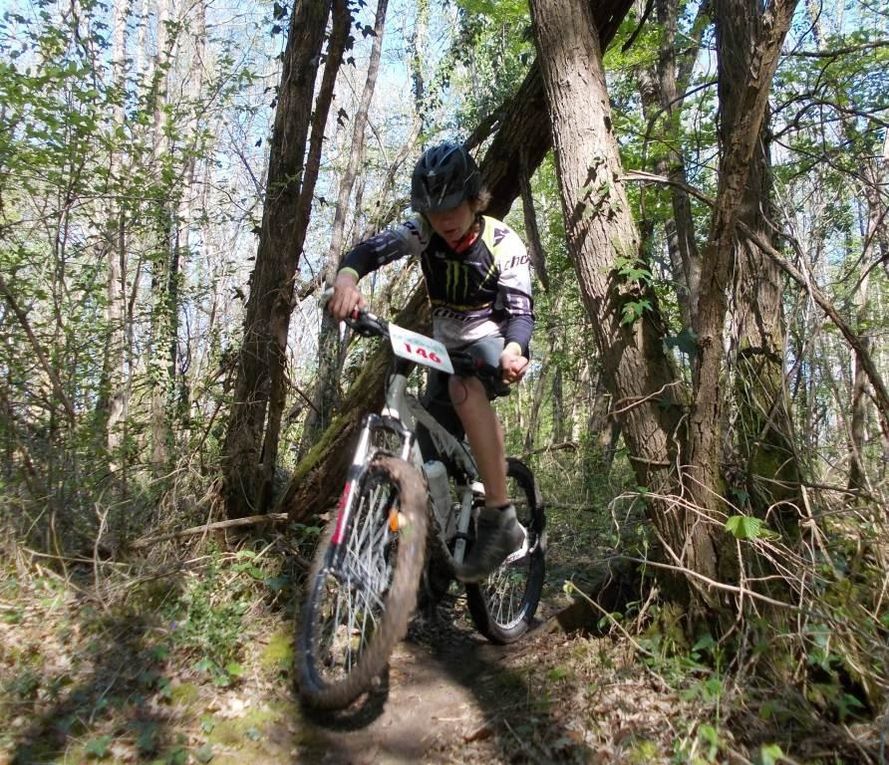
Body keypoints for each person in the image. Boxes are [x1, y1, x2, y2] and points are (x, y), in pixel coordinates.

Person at [327, 141, 534, 582]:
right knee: (424, 450)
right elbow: (371, 250)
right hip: (442, 349)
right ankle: (427, 561)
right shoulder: (424, 231)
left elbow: (520, 313)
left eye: (453, 208)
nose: (445, 222)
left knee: (464, 387)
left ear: (474, 199)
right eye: (435, 212)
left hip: (490, 345)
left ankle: (500, 517)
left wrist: (515, 351)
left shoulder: (503, 242)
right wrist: (347, 280)